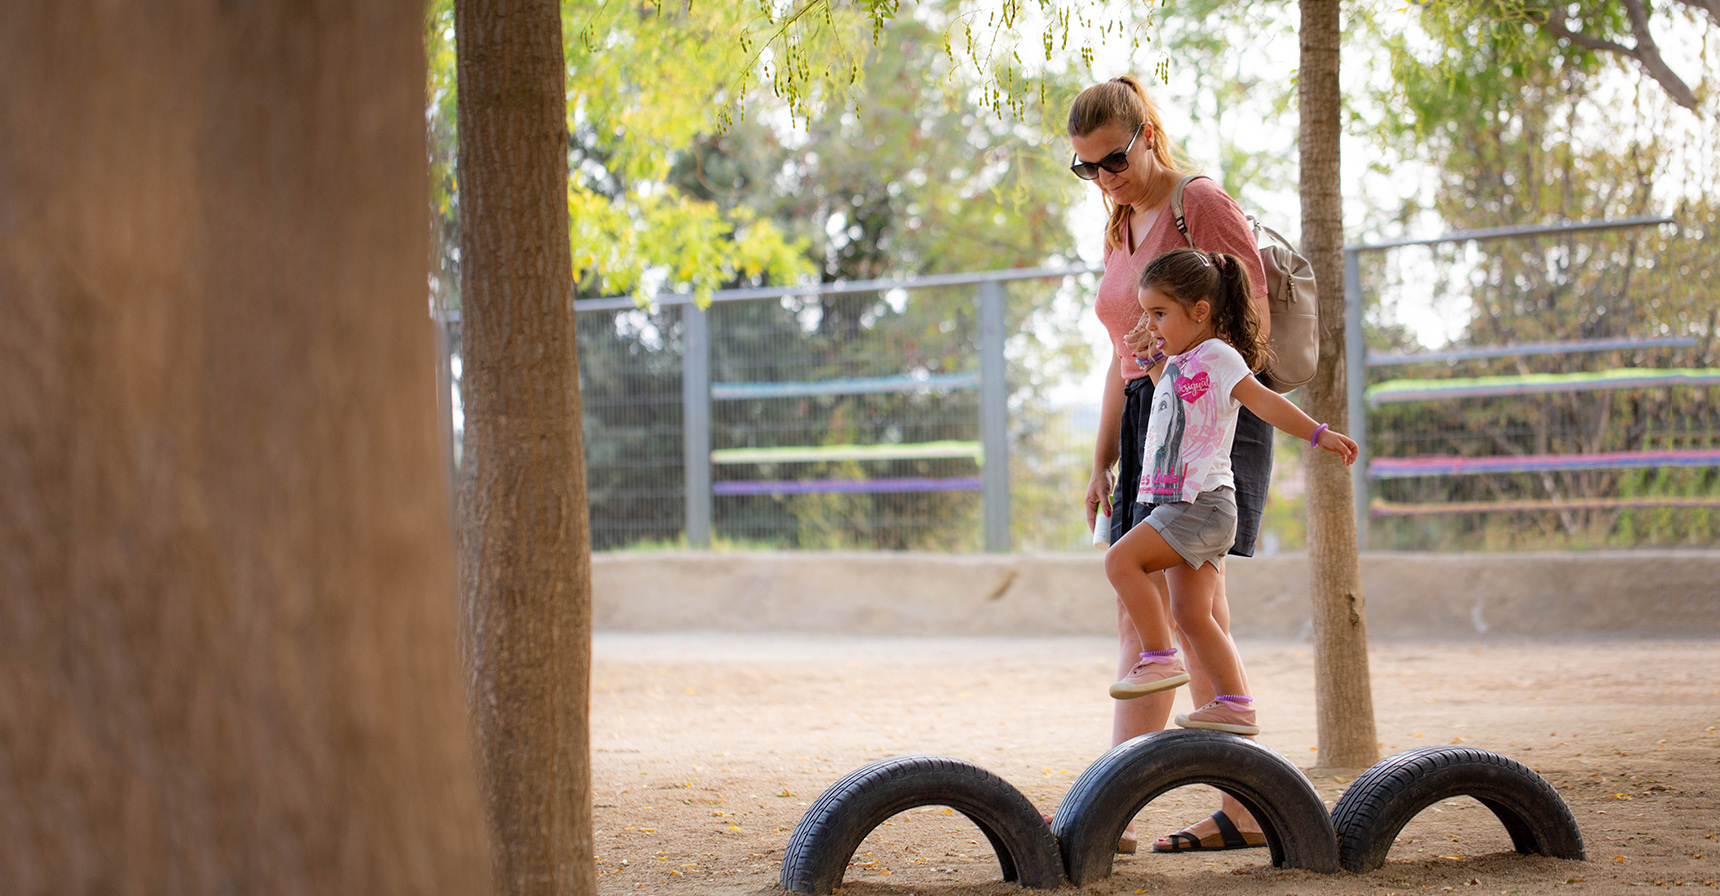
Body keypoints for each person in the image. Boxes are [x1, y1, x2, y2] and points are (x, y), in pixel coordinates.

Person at [1067, 75, 1274, 854]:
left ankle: (1108, 806)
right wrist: (1100, 459)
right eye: (1084, 168)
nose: (1102, 179)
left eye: (1112, 160)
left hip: (1203, 424)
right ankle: (1247, 807)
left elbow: (1245, 323)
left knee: (1165, 610)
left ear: (1147, 132)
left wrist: (1183, 378)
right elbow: (1122, 353)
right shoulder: (1121, 223)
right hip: (1144, 424)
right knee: (1189, 611)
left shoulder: (1200, 202)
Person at [1106, 247, 1356, 735]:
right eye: (1147, 313)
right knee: (1192, 613)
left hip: (1199, 503)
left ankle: (1158, 657)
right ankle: (1235, 703)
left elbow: (1263, 402)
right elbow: (1173, 405)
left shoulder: (1219, 356)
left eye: (1160, 313)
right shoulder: (1181, 360)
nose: (1151, 323)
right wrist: (1150, 361)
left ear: (1200, 311)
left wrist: (1318, 433)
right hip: (1181, 501)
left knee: (1121, 561)